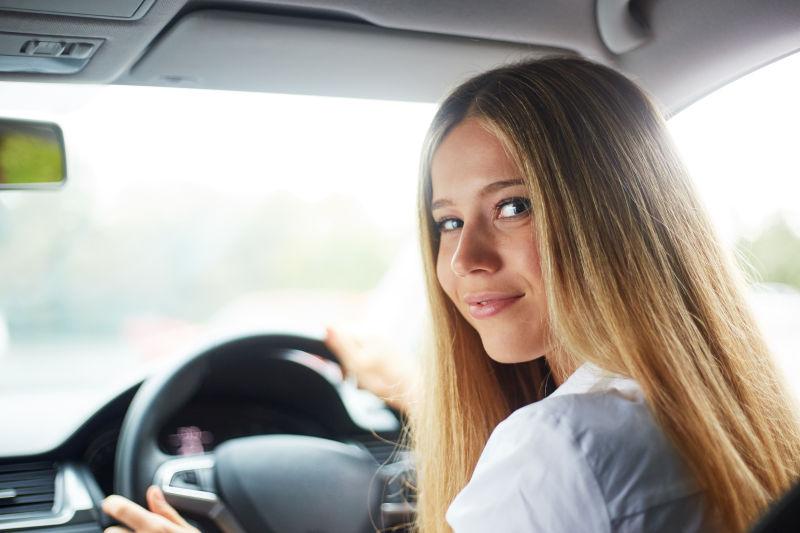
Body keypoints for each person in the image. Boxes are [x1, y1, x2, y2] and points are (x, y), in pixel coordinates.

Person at [101, 57, 800, 533]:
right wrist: (411, 389)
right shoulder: (736, 410)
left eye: (514, 206)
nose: (464, 258)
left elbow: (563, 469)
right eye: (448, 222)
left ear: (612, 216)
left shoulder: (554, 447)